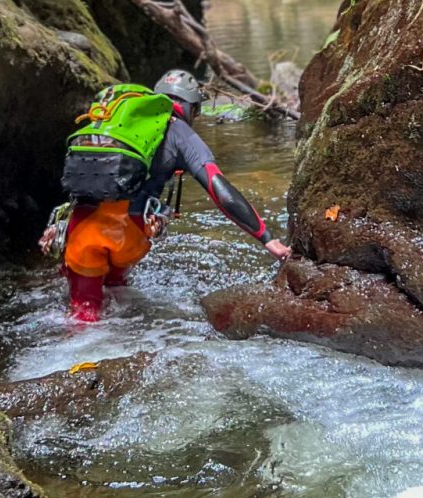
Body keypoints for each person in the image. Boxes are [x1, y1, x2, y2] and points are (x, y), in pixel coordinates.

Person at [52, 69, 290, 323]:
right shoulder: (180, 132)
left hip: (79, 229)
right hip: (127, 236)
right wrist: (267, 239)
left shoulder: (117, 121)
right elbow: (221, 191)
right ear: (190, 108)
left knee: (83, 315)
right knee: (116, 295)